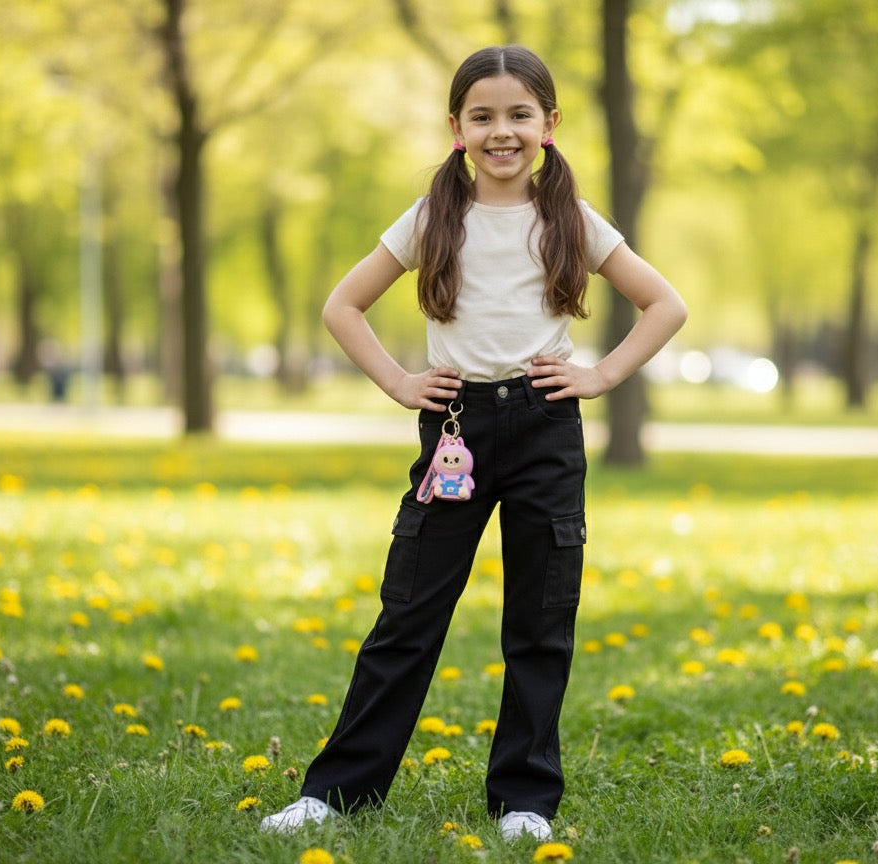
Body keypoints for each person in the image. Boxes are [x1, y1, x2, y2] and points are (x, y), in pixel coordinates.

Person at [261, 44, 687, 842]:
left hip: (545, 431)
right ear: (455, 128)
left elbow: (664, 303)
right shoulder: (433, 218)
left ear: (550, 125)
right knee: (409, 614)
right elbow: (342, 306)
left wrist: (598, 378)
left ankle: (524, 800)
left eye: (519, 115)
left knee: (540, 617)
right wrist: (398, 382)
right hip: (453, 430)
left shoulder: (572, 220)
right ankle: (337, 792)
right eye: (483, 117)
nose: (502, 132)